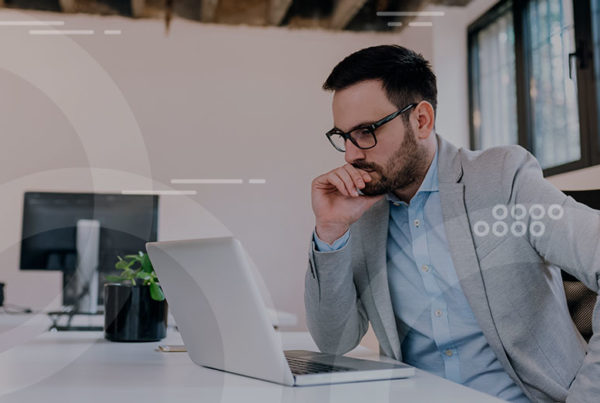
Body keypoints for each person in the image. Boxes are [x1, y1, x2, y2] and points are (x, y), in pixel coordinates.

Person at [304, 45, 600, 403]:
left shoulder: (503, 179)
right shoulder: (364, 213)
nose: (352, 155)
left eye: (366, 131)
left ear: (421, 120)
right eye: (344, 137)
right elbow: (335, 340)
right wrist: (331, 231)